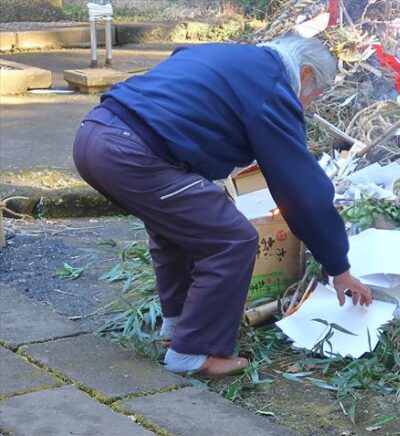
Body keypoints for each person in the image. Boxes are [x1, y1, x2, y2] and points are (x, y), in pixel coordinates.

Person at [73, 36, 372, 378]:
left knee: (180, 229)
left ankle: (178, 329)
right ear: (304, 74)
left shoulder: (234, 57)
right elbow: (302, 189)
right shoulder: (271, 88)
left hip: (95, 134)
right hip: (130, 153)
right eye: (312, 95)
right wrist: (338, 266)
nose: (306, 106)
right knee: (233, 239)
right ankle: (193, 354)